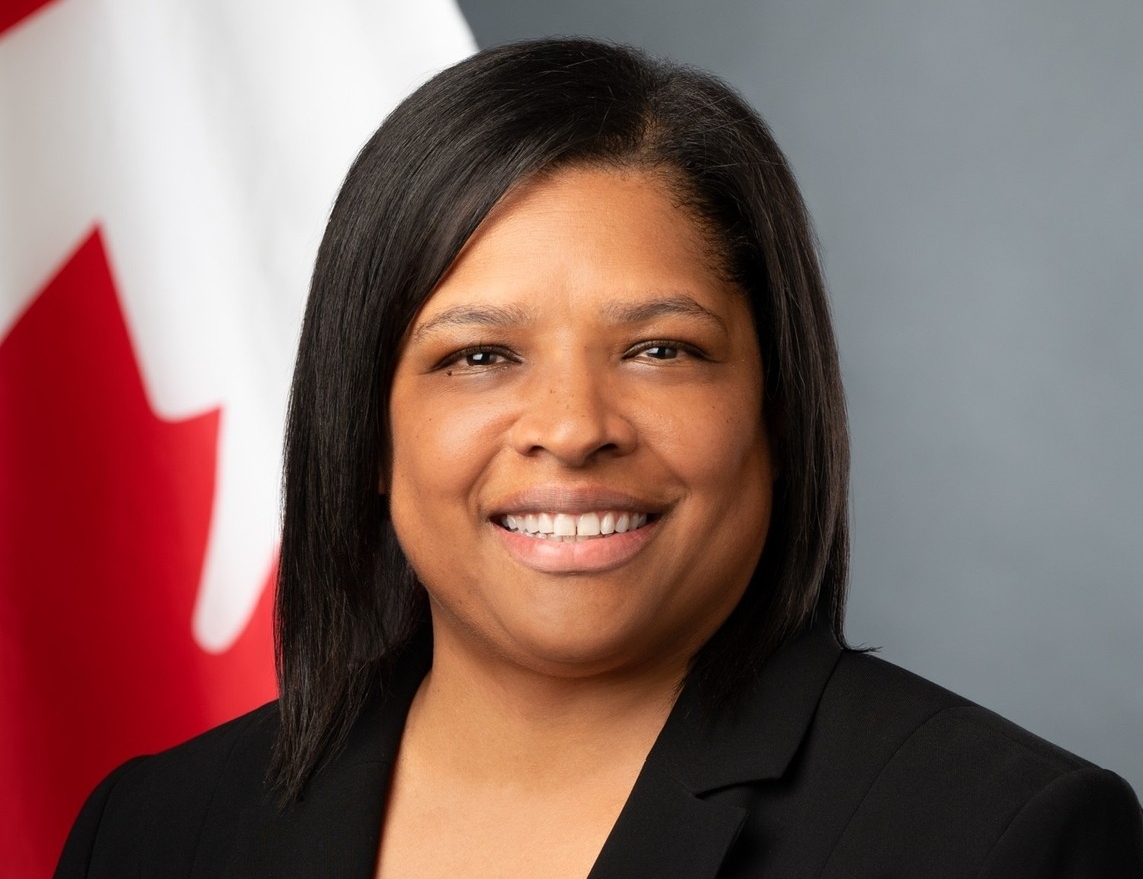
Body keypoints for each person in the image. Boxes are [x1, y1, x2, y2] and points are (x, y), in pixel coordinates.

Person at [55, 38, 1142, 879]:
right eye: (480, 356)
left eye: (660, 350)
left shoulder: (998, 840)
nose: (574, 426)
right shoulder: (154, 830)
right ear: (368, 434)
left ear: (775, 408)